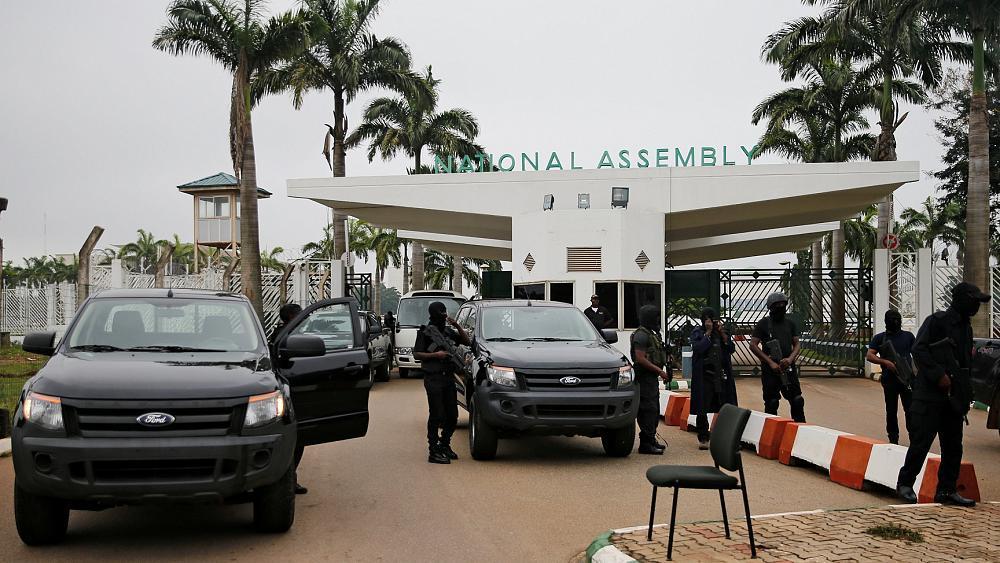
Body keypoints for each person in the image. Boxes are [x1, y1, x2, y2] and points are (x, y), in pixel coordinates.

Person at [895, 282, 990, 506]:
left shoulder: (966, 328)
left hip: (953, 398)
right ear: (962, 300)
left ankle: (947, 490)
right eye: (974, 300)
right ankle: (905, 483)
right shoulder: (937, 322)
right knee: (921, 443)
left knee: (953, 447)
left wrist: (965, 393)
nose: (977, 306)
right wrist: (939, 375)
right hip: (929, 396)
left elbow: (965, 364)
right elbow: (918, 349)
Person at [412, 301, 471, 464]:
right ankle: (433, 450)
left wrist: (457, 325)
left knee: (452, 416)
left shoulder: (448, 331)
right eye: (441, 314)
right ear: (433, 315)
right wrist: (435, 355)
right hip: (433, 378)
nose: (444, 317)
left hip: (448, 377)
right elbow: (417, 354)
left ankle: (444, 444)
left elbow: (466, 341)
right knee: (436, 415)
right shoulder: (425, 332)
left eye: (445, 314)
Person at [267, 302, 308, 494]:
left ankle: (291, 478)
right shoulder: (285, 337)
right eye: (300, 315)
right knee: (294, 439)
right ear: (291, 318)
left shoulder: (288, 335)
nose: (304, 319)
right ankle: (288, 479)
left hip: (295, 390)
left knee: (298, 439)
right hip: (289, 393)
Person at [750, 292, 805, 422]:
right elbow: (753, 345)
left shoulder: (790, 324)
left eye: (783, 305)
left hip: (788, 367)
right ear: (771, 307)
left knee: (797, 400)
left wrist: (790, 359)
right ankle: (770, 432)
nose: (781, 307)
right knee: (772, 402)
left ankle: (801, 429)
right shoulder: (763, 323)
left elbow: (797, 344)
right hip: (771, 370)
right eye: (777, 305)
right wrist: (770, 362)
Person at [690, 307, 738, 450]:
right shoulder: (698, 332)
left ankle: (727, 437)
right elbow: (698, 348)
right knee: (702, 407)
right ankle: (703, 437)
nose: (709, 321)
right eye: (706, 319)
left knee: (725, 405)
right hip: (704, 376)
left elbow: (731, 348)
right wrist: (708, 333)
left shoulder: (721, 332)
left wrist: (723, 334)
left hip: (721, 375)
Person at [866, 310, 915, 444]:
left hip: (907, 379)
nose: (895, 322)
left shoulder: (908, 336)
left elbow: (917, 354)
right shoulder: (880, 338)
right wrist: (885, 362)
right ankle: (893, 439)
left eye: (897, 319)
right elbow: (870, 355)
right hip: (890, 380)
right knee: (891, 411)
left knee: (911, 410)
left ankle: (914, 437)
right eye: (893, 319)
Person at [630, 305, 671, 454]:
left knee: (654, 410)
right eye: (655, 317)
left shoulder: (652, 334)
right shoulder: (641, 335)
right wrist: (660, 371)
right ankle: (646, 444)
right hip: (644, 377)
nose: (657, 320)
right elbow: (640, 358)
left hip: (651, 378)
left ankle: (651, 439)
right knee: (647, 409)